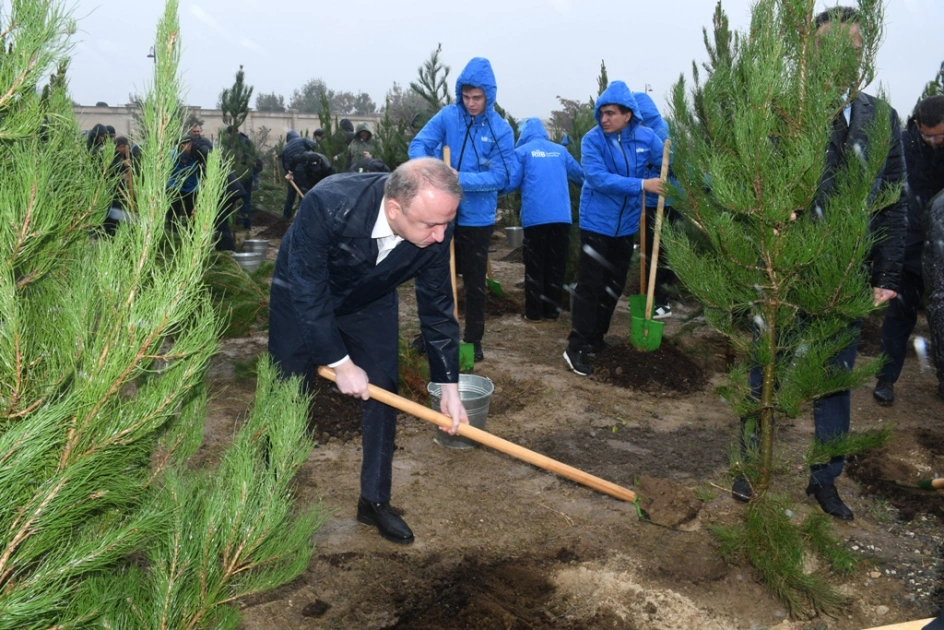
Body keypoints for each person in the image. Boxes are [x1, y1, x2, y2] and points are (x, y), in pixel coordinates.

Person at [734, 6, 907, 520]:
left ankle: (825, 477)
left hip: (846, 273)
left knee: (835, 378)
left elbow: (894, 203)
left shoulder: (882, 119)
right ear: (808, 51)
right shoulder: (779, 109)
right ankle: (751, 465)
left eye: (852, 49)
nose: (842, 59)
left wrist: (887, 274)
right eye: (830, 48)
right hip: (784, 272)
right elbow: (745, 186)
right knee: (767, 370)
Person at [268, 158, 468, 545]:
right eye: (431, 226)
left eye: (446, 223)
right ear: (394, 209)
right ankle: (265, 499)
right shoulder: (327, 203)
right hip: (301, 296)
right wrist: (339, 362)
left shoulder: (437, 219)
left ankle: (374, 501)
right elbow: (308, 291)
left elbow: (437, 306)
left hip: (370, 298)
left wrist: (448, 386)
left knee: (383, 387)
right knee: (286, 392)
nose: (442, 235)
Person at [408, 57, 515, 362]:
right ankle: (431, 333)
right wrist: (431, 169)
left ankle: (473, 338)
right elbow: (418, 145)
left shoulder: (500, 129)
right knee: (435, 276)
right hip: (441, 213)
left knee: (474, 281)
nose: (471, 103)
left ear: (488, 96)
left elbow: (501, 176)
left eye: (477, 97)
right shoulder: (448, 117)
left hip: (477, 217)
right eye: (466, 96)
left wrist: (459, 178)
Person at [563, 81, 665, 376]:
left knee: (614, 285)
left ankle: (596, 338)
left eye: (610, 113)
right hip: (596, 222)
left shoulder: (646, 138)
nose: (604, 119)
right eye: (602, 113)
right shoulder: (593, 140)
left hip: (626, 225)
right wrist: (642, 184)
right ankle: (576, 346)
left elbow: (664, 164)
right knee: (590, 285)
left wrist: (667, 173)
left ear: (627, 115)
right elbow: (597, 178)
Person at [873, 95, 944, 404]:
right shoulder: (901, 145)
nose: (936, 141)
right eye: (930, 136)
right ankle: (886, 378)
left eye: (941, 135)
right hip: (910, 243)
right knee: (900, 313)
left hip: (942, 247)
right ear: (917, 125)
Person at [503, 117, 584, 321]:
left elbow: (511, 183)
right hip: (561, 218)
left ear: (524, 134)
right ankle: (552, 310)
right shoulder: (561, 151)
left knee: (535, 265)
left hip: (536, 218)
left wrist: (489, 187)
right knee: (556, 264)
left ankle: (534, 312)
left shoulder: (522, 152)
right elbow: (581, 176)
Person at [634, 91, 678, 319]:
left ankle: (661, 302)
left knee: (660, 253)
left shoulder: (662, 132)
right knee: (652, 252)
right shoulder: (645, 131)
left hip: (665, 202)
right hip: (652, 201)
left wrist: (651, 163)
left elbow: (674, 162)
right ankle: (651, 298)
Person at [220, 125, 261, 230]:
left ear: (229, 134)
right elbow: (254, 159)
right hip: (247, 174)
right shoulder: (247, 141)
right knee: (246, 200)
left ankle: (237, 224)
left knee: (234, 199)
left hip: (235, 175)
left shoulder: (230, 143)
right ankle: (247, 225)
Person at [280, 130, 319, 219]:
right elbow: (315, 146)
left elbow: (284, 163)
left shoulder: (285, 148)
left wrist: (288, 173)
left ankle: (285, 217)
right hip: (303, 172)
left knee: (290, 196)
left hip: (291, 174)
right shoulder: (302, 140)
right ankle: (302, 217)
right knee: (304, 193)